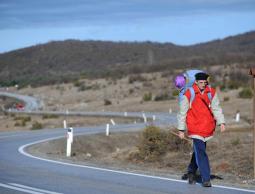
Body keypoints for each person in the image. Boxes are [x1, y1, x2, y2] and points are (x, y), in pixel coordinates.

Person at [176, 72, 225, 187]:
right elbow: (182, 113)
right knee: (201, 152)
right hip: (195, 128)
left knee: (198, 152)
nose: (203, 84)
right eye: (201, 82)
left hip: (207, 128)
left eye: (205, 82)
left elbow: (216, 108)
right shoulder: (189, 93)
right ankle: (206, 178)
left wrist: (221, 122)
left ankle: (191, 171)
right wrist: (181, 130)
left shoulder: (211, 93)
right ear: (196, 82)